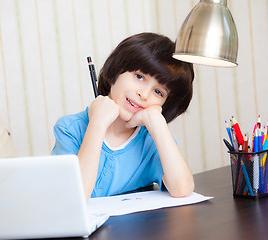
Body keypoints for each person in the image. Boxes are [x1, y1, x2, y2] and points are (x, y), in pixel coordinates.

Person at [52, 32, 195, 200]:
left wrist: (157, 123)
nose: (143, 94)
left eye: (158, 92)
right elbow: (75, 196)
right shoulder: (70, 129)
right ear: (115, 73)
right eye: (139, 76)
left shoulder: (152, 138)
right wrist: (97, 124)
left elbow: (183, 188)